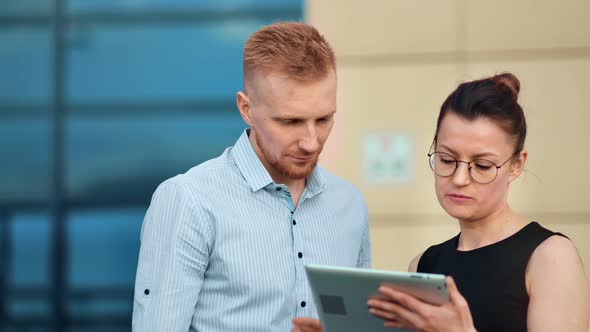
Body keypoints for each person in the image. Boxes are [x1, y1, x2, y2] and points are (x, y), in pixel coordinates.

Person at [293, 73, 590, 332]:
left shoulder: (549, 258)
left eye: (482, 165)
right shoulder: (425, 264)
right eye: (447, 159)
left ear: (516, 165)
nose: (460, 177)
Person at [131, 22, 370, 332]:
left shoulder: (349, 204)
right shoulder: (188, 200)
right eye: (290, 121)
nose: (311, 141)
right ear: (246, 108)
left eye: (323, 119)